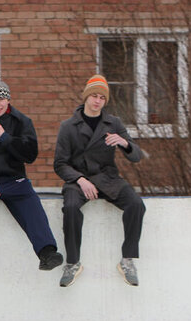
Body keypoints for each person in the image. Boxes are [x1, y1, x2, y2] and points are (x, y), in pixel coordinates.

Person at [0, 77, 64, 273]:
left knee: (32, 206)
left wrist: (3, 137)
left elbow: (30, 154)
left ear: (8, 99)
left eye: (1, 99)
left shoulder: (22, 121)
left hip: (14, 180)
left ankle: (47, 253)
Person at [53, 74, 145, 287]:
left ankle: (127, 260)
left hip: (107, 178)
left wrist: (124, 142)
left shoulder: (113, 123)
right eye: (94, 96)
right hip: (78, 180)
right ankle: (73, 262)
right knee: (72, 207)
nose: (97, 101)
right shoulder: (68, 126)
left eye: (102, 98)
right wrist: (80, 179)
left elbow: (136, 156)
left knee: (136, 204)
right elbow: (60, 164)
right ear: (86, 97)